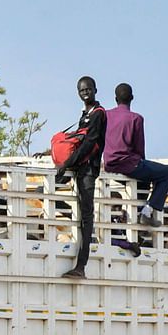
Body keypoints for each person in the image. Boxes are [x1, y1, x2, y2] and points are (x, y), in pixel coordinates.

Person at [104, 83, 168, 228]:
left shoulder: (106, 115)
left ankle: (137, 214)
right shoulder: (136, 118)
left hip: (109, 163)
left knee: (144, 182)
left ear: (115, 98)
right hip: (128, 164)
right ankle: (146, 212)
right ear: (132, 98)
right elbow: (139, 148)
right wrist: (142, 162)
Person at [57, 76, 107, 279]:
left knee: (86, 216)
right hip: (79, 168)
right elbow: (76, 140)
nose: (85, 93)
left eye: (88, 90)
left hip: (88, 170)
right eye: (81, 90)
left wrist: (67, 163)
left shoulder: (98, 115)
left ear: (95, 90)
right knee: (53, 193)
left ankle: (81, 265)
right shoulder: (85, 114)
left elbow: (88, 144)